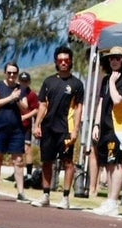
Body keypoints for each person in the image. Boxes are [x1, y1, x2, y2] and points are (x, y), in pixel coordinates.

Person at [32, 45, 85, 209]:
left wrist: (76, 129)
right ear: (56, 61)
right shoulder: (48, 81)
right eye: (60, 60)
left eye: (66, 60)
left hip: (66, 129)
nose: (63, 63)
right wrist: (37, 124)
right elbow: (42, 105)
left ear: (70, 62)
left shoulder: (76, 84)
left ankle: (65, 198)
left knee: (67, 163)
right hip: (48, 128)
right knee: (47, 162)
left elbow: (78, 108)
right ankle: (46, 195)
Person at [90, 46, 122, 217]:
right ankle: (109, 200)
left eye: (118, 58)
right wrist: (96, 124)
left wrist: (111, 83)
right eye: (111, 58)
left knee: (115, 163)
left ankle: (114, 202)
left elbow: (117, 100)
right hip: (105, 127)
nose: (114, 61)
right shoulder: (106, 79)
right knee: (108, 164)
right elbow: (102, 102)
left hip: (118, 128)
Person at [0, 62, 30, 201]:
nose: (12, 75)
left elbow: (25, 108)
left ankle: (21, 192)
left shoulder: (20, 89)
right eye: (9, 72)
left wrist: (17, 100)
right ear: (5, 73)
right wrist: (10, 98)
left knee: (18, 160)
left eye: (14, 73)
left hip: (16, 130)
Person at [18, 72, 39, 180]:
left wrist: (25, 117)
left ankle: (29, 173)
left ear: (29, 82)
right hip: (15, 125)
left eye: (25, 81)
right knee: (16, 149)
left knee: (27, 148)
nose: (23, 84)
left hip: (26, 126)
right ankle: (17, 172)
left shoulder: (32, 94)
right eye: (22, 81)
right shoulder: (15, 92)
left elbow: (36, 109)